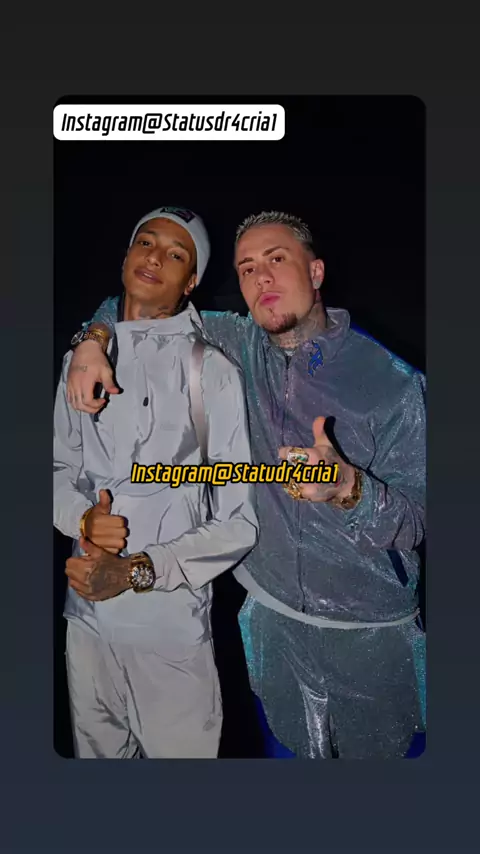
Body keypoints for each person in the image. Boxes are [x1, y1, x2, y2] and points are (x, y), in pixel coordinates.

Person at [66, 210, 426, 759]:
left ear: (317, 271)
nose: (262, 278)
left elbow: (420, 519)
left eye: (277, 259)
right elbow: (147, 299)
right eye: (247, 268)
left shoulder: (393, 383)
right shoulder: (236, 340)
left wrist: (351, 489)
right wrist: (91, 340)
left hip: (370, 635)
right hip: (273, 628)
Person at [54, 206, 258, 759]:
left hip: (168, 631)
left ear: (191, 282)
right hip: (86, 622)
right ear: (126, 254)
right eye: (146, 242)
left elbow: (239, 523)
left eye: (176, 253)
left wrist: (133, 571)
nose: (155, 257)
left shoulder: (210, 370)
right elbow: (56, 470)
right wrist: (81, 518)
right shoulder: (82, 362)